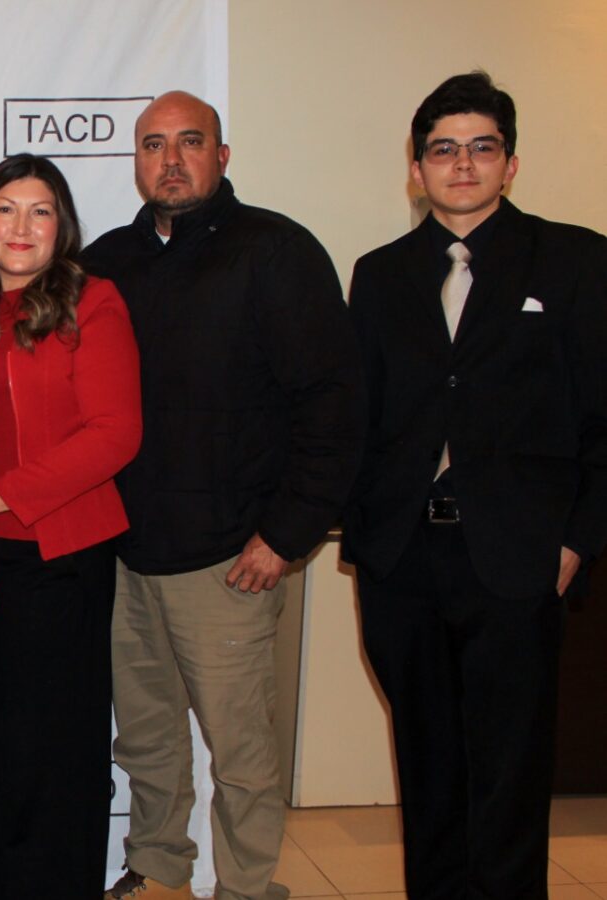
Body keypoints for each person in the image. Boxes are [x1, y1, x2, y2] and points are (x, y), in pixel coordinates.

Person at [79, 91, 365, 900]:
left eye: (190, 142)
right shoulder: (105, 264)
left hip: (233, 559)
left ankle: (246, 885)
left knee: (240, 751)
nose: (171, 161)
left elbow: (333, 403)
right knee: (146, 738)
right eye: (153, 145)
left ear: (222, 155)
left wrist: (287, 534)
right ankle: (158, 865)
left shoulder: (276, 252)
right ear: (136, 162)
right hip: (125, 556)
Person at [344, 71, 607, 900]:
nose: (462, 165)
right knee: (428, 770)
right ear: (416, 168)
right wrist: (365, 537)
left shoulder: (575, 260)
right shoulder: (380, 274)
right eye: (443, 150)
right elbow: (360, 416)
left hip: (519, 559)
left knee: (509, 778)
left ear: (511, 164)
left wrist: (576, 542)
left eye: (481, 148)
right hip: (403, 558)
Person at [0, 154, 141, 899]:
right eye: (6, 209)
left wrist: (1, 495)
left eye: (40, 211)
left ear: (62, 226)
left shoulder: (93, 301)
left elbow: (115, 433)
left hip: (61, 557)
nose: (21, 226)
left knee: (53, 758)